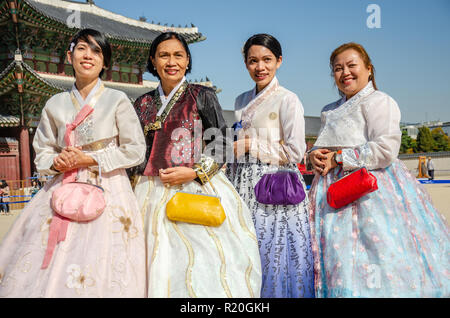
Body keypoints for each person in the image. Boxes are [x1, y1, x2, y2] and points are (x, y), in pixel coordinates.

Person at [0, 29, 147, 297]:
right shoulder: (54, 104)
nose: (88, 55)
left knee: (104, 257)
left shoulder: (118, 100)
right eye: (81, 48)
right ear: (70, 55)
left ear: (105, 62)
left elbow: (135, 150)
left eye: (96, 51)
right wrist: (57, 161)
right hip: (62, 186)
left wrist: (90, 158)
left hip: (108, 186)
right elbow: (42, 152)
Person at [308, 42, 449, 297]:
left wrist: (339, 158)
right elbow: (321, 146)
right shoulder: (329, 110)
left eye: (352, 66)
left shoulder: (379, 101)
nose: (345, 73)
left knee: (373, 253)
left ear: (369, 69)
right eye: (338, 69)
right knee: (335, 256)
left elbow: (385, 149)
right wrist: (314, 156)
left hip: (369, 192)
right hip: (329, 196)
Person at [130, 32, 262, 298]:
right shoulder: (142, 103)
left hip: (194, 185)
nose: (171, 61)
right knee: (150, 258)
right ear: (152, 61)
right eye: (164, 55)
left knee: (200, 260)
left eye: (178, 55)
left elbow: (222, 143)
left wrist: (194, 172)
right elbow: (134, 151)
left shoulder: (202, 95)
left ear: (187, 60)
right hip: (148, 190)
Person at [225, 34, 315, 298]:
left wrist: (252, 145)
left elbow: (296, 152)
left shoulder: (288, 100)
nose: (260, 67)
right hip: (242, 182)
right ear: (245, 64)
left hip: (273, 186)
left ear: (279, 61)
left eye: (266, 60)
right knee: (244, 251)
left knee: (272, 254)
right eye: (253, 61)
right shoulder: (241, 100)